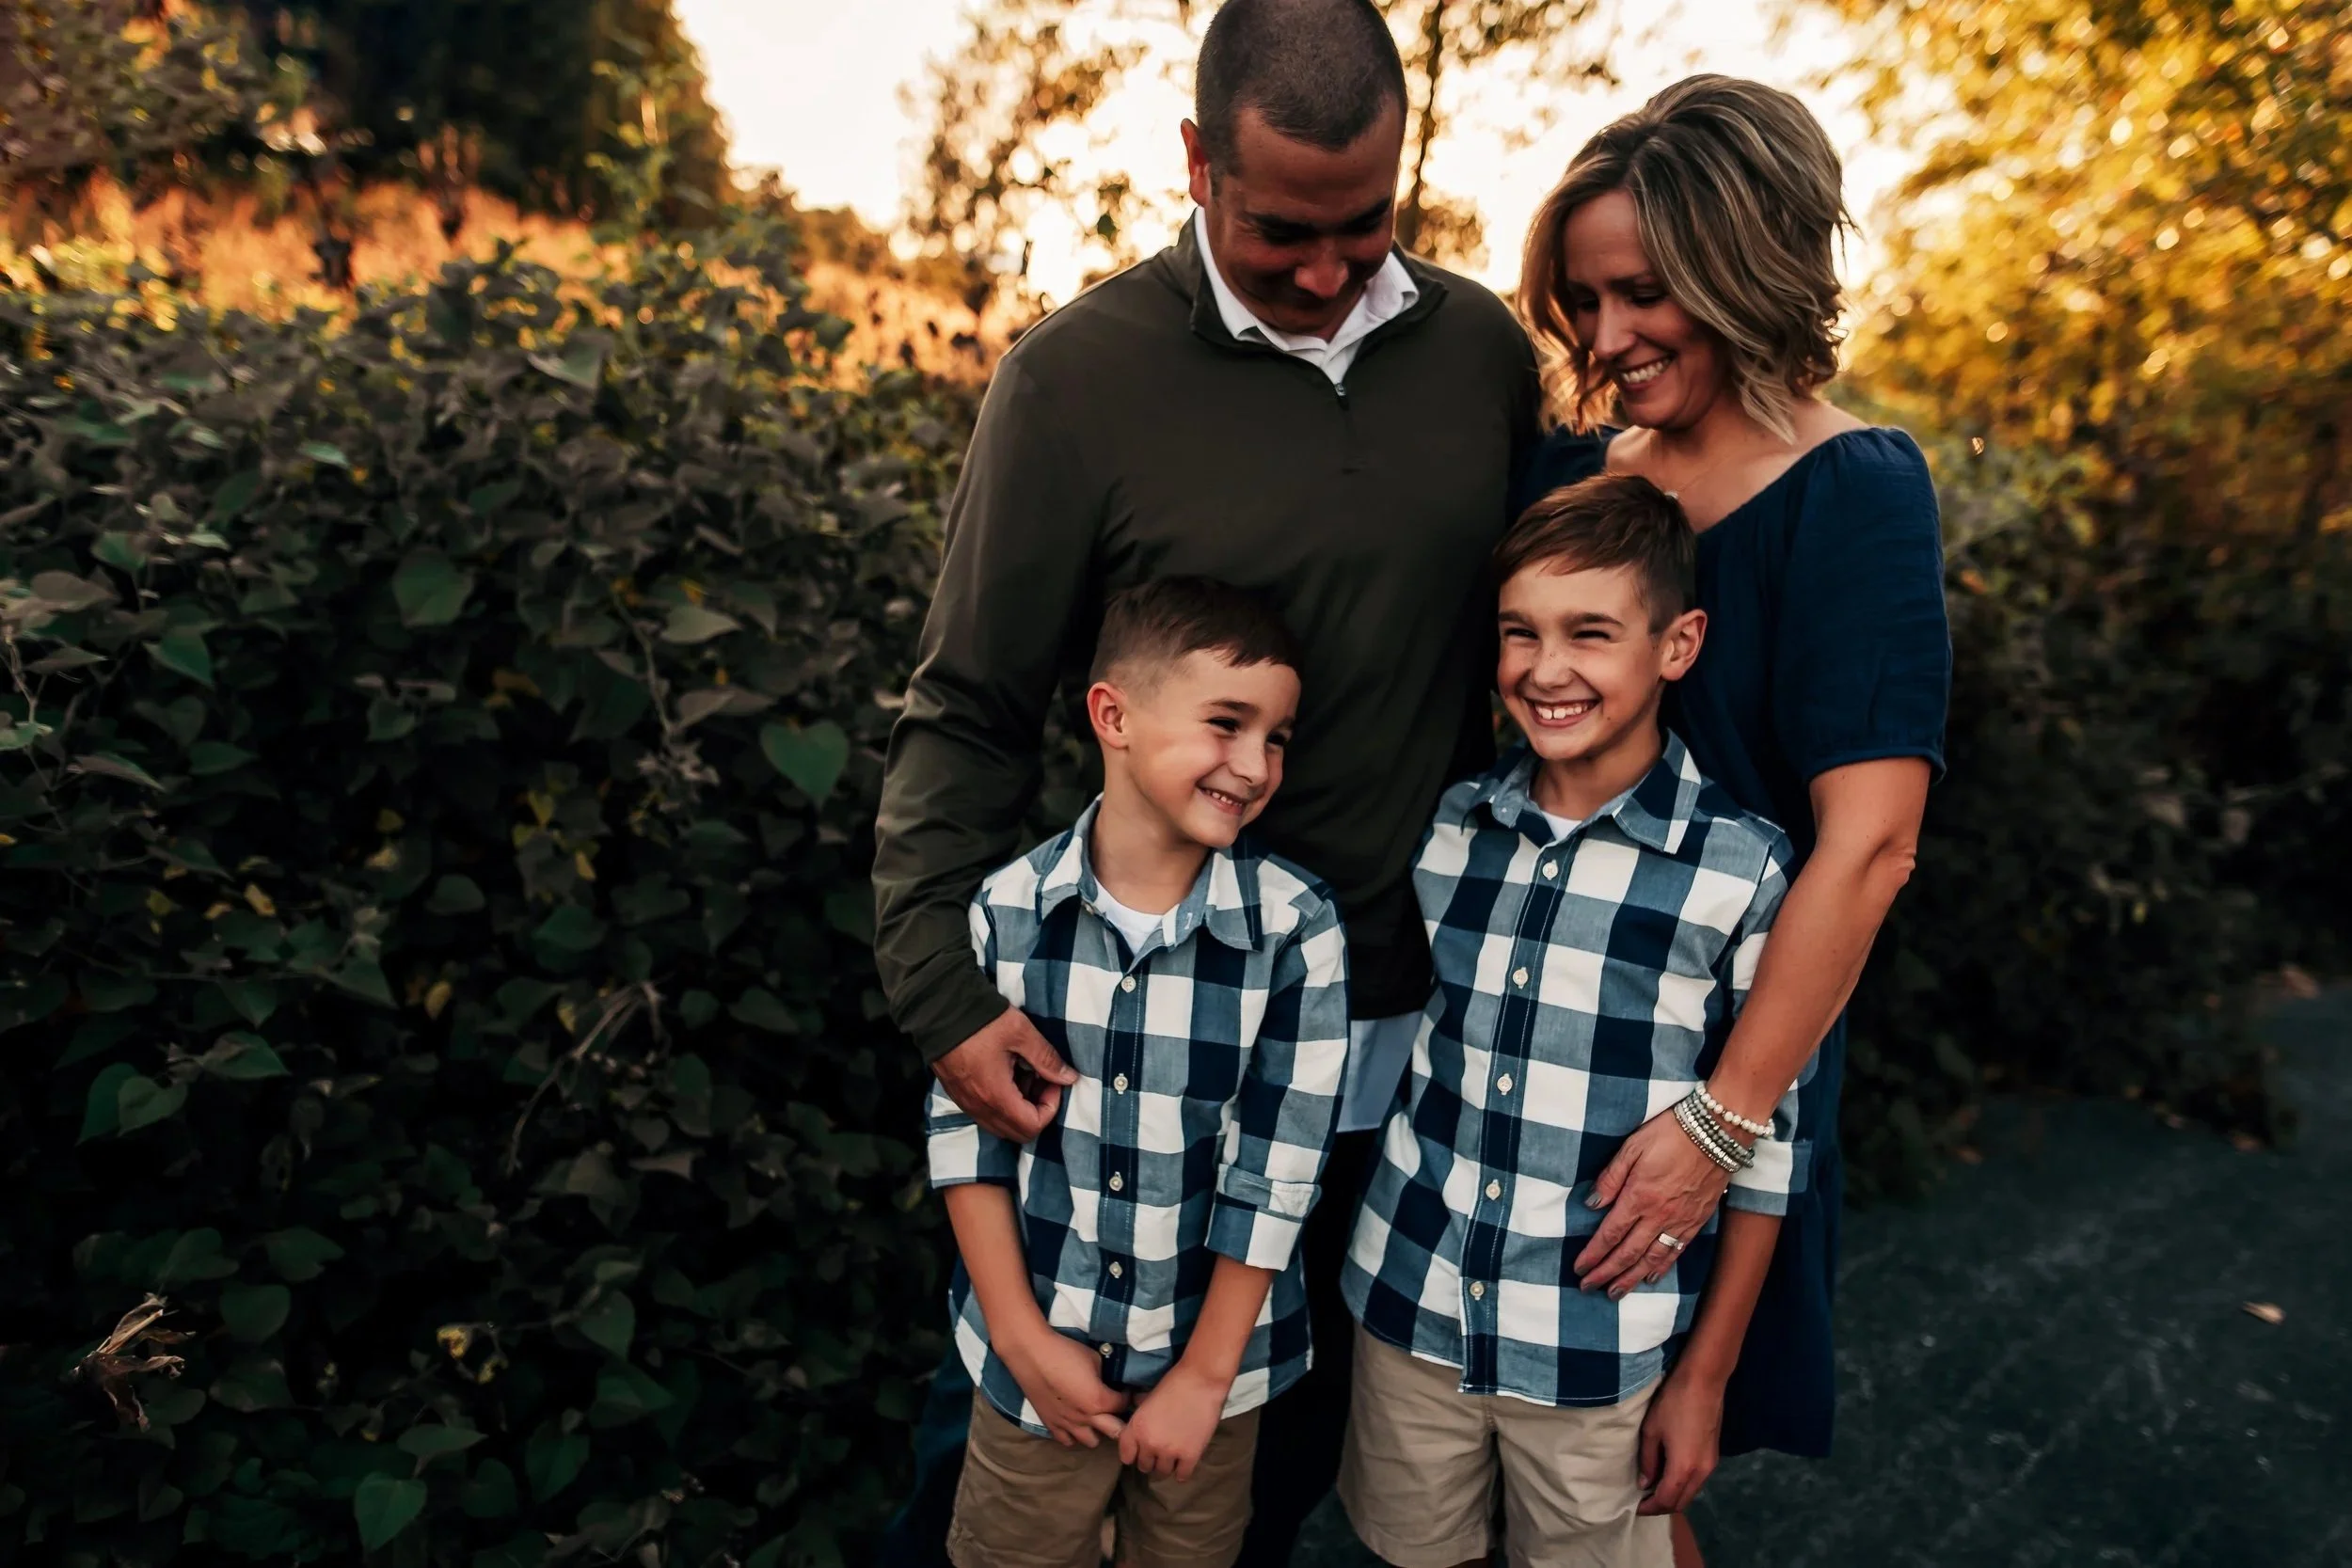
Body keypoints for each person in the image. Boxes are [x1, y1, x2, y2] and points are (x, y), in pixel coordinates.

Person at [871, 2, 1542, 1560]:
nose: (1328, 270)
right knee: (996, 1466)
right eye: (1282, 231)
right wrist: (943, 993)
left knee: (1261, 1462)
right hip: (1127, 1030)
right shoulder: (1077, 382)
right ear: (1194, 161)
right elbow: (967, 708)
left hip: (1392, 1031)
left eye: (1367, 225)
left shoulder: (1480, 355)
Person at [1511, 76, 1952, 1562]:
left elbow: (1873, 843)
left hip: (1716, 1074)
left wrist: (1719, 1121)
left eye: (1645, 291)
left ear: (1749, 269)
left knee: (1628, 1480)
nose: (1604, 333)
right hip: (1529, 1041)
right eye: (1582, 296)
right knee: (1524, 1463)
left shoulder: (1856, 492)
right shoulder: (1577, 481)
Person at [1339, 474, 1806, 1567]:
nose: (1545, 669)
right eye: (1520, 632)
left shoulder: (1741, 871)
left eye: (1589, 632)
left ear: (1677, 644)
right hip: (1411, 1304)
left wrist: (1703, 1377)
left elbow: (1771, 1147)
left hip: (1599, 1346)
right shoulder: (1449, 829)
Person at [928, 578, 1348, 1568]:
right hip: (1037, 1365)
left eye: (1277, 736)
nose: (1253, 765)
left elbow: (1277, 1170)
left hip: (1213, 1381)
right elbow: (966, 1138)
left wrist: (1203, 1377)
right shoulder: (1010, 911)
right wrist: (1025, 1343)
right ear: (1112, 715)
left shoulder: (1294, 929)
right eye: (1225, 723)